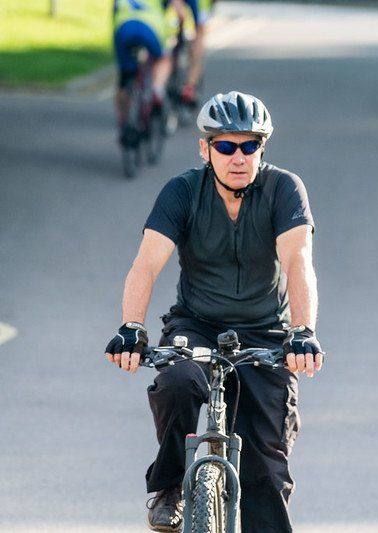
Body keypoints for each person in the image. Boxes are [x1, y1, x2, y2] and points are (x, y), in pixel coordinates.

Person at [104, 91, 324, 532]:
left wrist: (302, 332)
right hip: (197, 325)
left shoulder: (284, 189)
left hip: (266, 332)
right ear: (205, 149)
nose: (238, 157)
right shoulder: (183, 191)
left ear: (262, 148)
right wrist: (131, 326)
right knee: (178, 383)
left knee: (265, 468)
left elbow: (299, 262)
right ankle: (169, 487)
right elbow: (146, 263)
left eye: (249, 146)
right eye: (225, 146)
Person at [113, 0, 175, 144]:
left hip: (124, 27)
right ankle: (157, 89)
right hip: (151, 28)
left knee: (124, 78)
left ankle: (124, 122)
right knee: (163, 60)